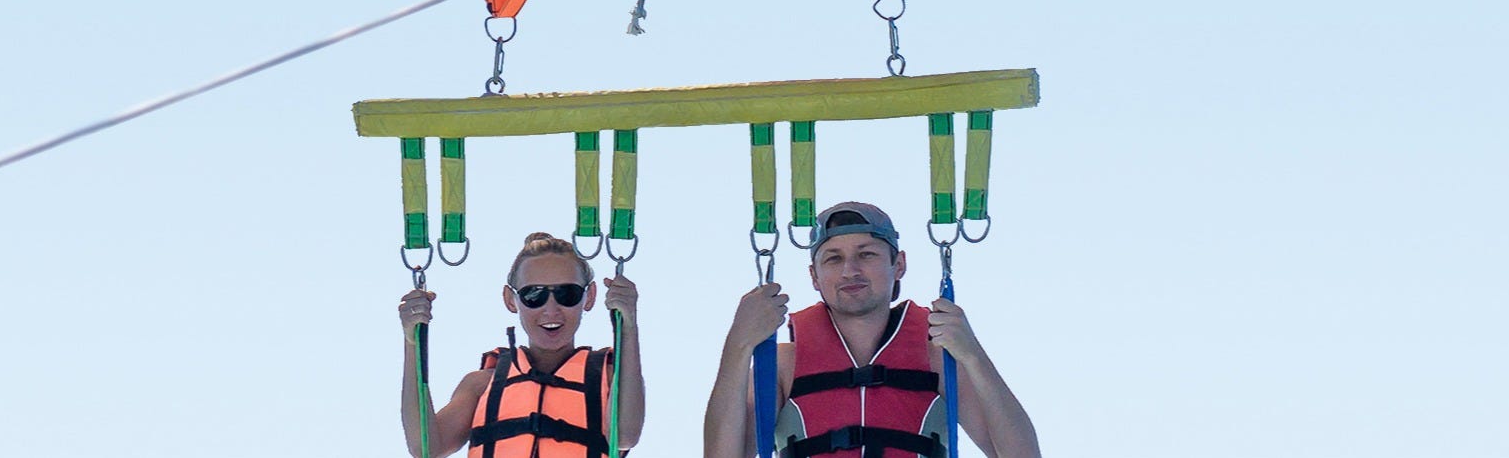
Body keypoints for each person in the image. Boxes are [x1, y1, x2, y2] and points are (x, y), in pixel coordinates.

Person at [706, 200, 1034, 458]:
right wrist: (739, 344)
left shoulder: (938, 360)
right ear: (815, 277)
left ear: (899, 264)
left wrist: (974, 355)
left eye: (867, 254)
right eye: (833, 259)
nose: (851, 270)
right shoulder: (781, 366)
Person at [396, 232, 640, 458]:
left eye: (568, 294)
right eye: (534, 296)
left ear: (590, 297)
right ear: (511, 300)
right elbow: (425, 447)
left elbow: (625, 435)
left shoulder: (608, 379)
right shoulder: (481, 385)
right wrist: (412, 340)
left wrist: (627, 324)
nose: (551, 309)